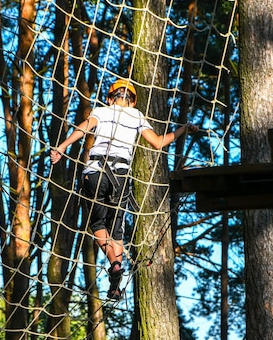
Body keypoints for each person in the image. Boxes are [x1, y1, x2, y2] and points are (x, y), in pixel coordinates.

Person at [50, 79, 198, 299]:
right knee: (116, 230)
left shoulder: (102, 110)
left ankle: (114, 267)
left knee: (97, 224)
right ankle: (115, 281)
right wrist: (183, 129)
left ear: (110, 98)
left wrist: (62, 146)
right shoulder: (136, 115)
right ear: (132, 101)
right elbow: (158, 143)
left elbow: (83, 128)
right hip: (120, 177)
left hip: (95, 172)